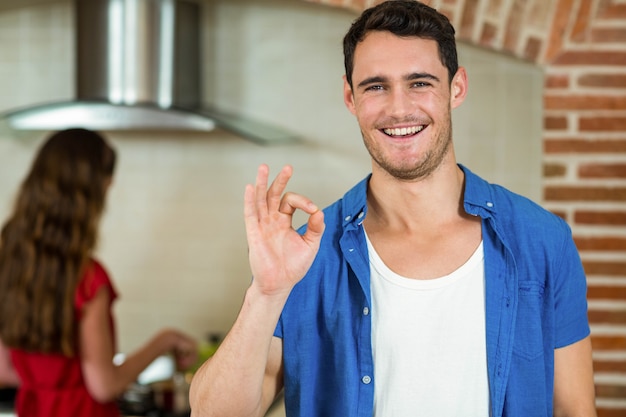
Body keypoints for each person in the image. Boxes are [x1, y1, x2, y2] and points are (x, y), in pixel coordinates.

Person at [189, 1, 597, 416]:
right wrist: (265, 294)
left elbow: (574, 411)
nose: (399, 109)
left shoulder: (542, 241)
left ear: (456, 88)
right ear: (350, 97)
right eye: (376, 86)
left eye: (419, 83)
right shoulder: (306, 258)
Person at [0, 128, 198, 417]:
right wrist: (165, 340)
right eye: (106, 182)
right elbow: (104, 386)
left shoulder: (9, 261)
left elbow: (4, 370)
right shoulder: (88, 279)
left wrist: (47, 382)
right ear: (88, 196)